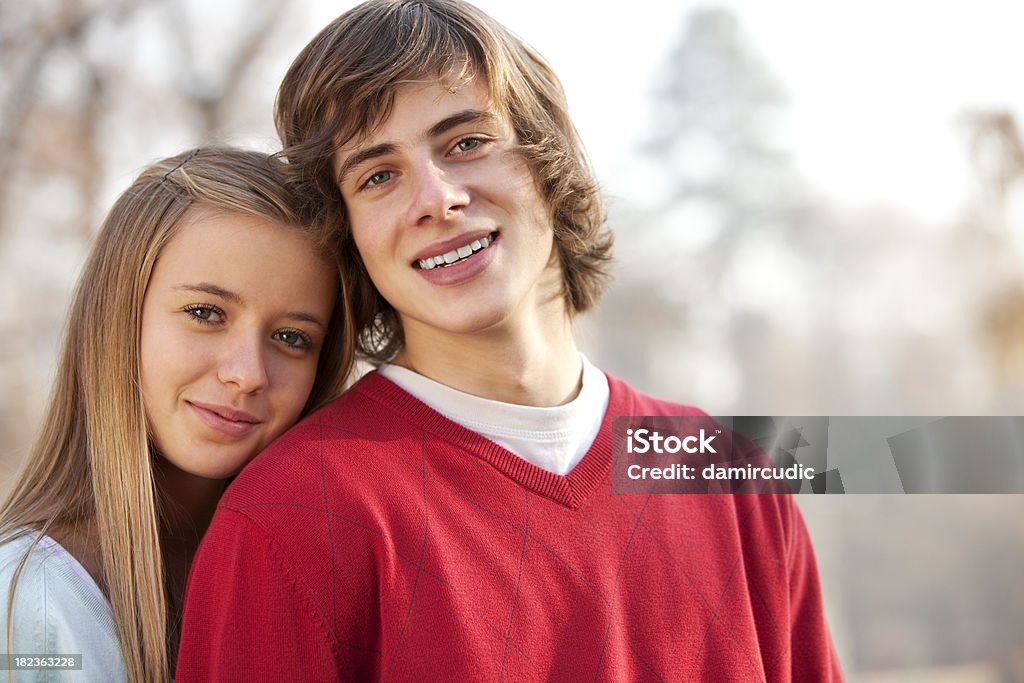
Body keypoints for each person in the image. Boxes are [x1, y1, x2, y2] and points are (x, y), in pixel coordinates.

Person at [177, 1, 844, 680]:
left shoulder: (731, 480)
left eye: (466, 142)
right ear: (347, 231)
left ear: (545, 160)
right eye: (378, 176)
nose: (436, 198)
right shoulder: (291, 518)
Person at [0, 147, 354, 682]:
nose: (247, 373)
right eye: (206, 313)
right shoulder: (30, 604)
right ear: (119, 315)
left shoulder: (302, 578)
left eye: (291, 337)